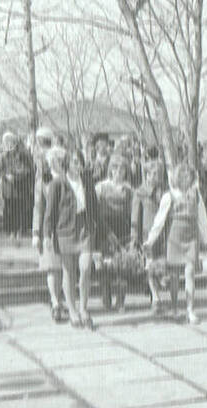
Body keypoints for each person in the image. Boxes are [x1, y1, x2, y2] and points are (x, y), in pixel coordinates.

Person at [144, 162, 207, 324]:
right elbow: (159, 221)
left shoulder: (196, 195)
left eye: (190, 177)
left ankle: (190, 309)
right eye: (184, 176)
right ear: (177, 178)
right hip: (174, 238)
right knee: (174, 276)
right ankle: (174, 308)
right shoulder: (169, 196)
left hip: (191, 238)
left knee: (190, 273)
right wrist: (150, 240)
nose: (187, 180)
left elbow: (202, 218)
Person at [44, 148, 99, 329]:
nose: (78, 165)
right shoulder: (57, 184)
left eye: (80, 161)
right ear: (67, 163)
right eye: (74, 161)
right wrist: (46, 235)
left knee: (85, 268)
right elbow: (50, 212)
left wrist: (105, 231)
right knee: (68, 272)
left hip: (84, 228)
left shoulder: (88, 182)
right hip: (65, 231)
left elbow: (95, 209)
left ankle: (84, 309)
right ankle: (73, 312)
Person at [31, 130, 66, 322]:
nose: (58, 163)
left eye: (61, 160)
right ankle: (55, 303)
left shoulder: (70, 179)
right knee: (53, 267)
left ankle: (62, 299)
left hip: (68, 228)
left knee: (64, 268)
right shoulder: (43, 181)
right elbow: (38, 207)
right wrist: (36, 232)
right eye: (55, 160)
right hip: (49, 229)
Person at [95, 154, 134, 312]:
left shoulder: (129, 189)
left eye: (122, 168)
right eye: (115, 168)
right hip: (105, 230)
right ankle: (106, 296)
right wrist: (106, 232)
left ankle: (120, 301)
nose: (119, 171)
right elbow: (95, 212)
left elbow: (132, 212)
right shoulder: (100, 187)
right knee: (106, 265)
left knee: (123, 266)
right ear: (110, 169)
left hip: (123, 230)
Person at [130, 158, 167, 314]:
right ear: (147, 175)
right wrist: (134, 238)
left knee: (163, 266)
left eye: (159, 174)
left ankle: (156, 292)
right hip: (148, 235)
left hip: (164, 235)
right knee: (150, 265)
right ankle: (156, 298)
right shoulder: (140, 192)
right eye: (153, 174)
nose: (156, 177)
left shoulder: (165, 192)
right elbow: (135, 217)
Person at [0, 131, 34, 241]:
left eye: (11, 141)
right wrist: (6, 175)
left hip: (20, 187)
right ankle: (11, 231)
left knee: (19, 209)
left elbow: (29, 169)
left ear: (15, 142)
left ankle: (19, 231)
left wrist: (18, 176)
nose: (9, 144)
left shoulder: (22, 154)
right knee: (9, 209)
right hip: (8, 188)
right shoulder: (3, 155)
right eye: (6, 142)